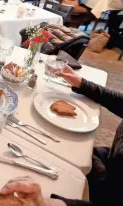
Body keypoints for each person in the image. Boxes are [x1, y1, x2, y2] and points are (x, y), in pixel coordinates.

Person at [56, 65, 123, 206]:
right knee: (65, 148)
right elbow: (119, 101)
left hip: (112, 192)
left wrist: (60, 203)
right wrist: (81, 83)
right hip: (111, 161)